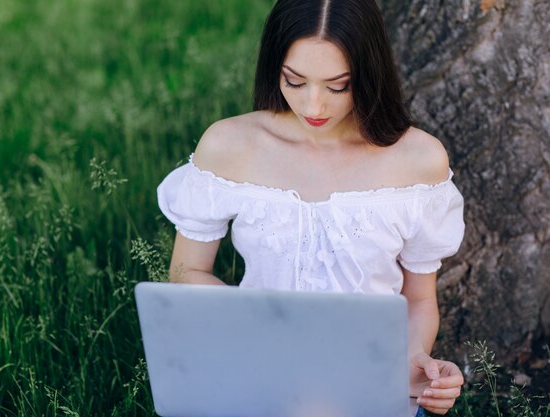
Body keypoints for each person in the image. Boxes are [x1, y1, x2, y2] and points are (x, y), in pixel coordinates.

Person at [156, 0, 465, 415]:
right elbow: (185, 271)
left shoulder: (418, 160)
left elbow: (419, 299)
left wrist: (412, 362)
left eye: (338, 85)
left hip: (367, 380)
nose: (313, 107)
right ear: (274, 66)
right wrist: (265, 325)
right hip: (258, 365)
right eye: (294, 81)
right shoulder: (230, 145)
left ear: (369, 74)